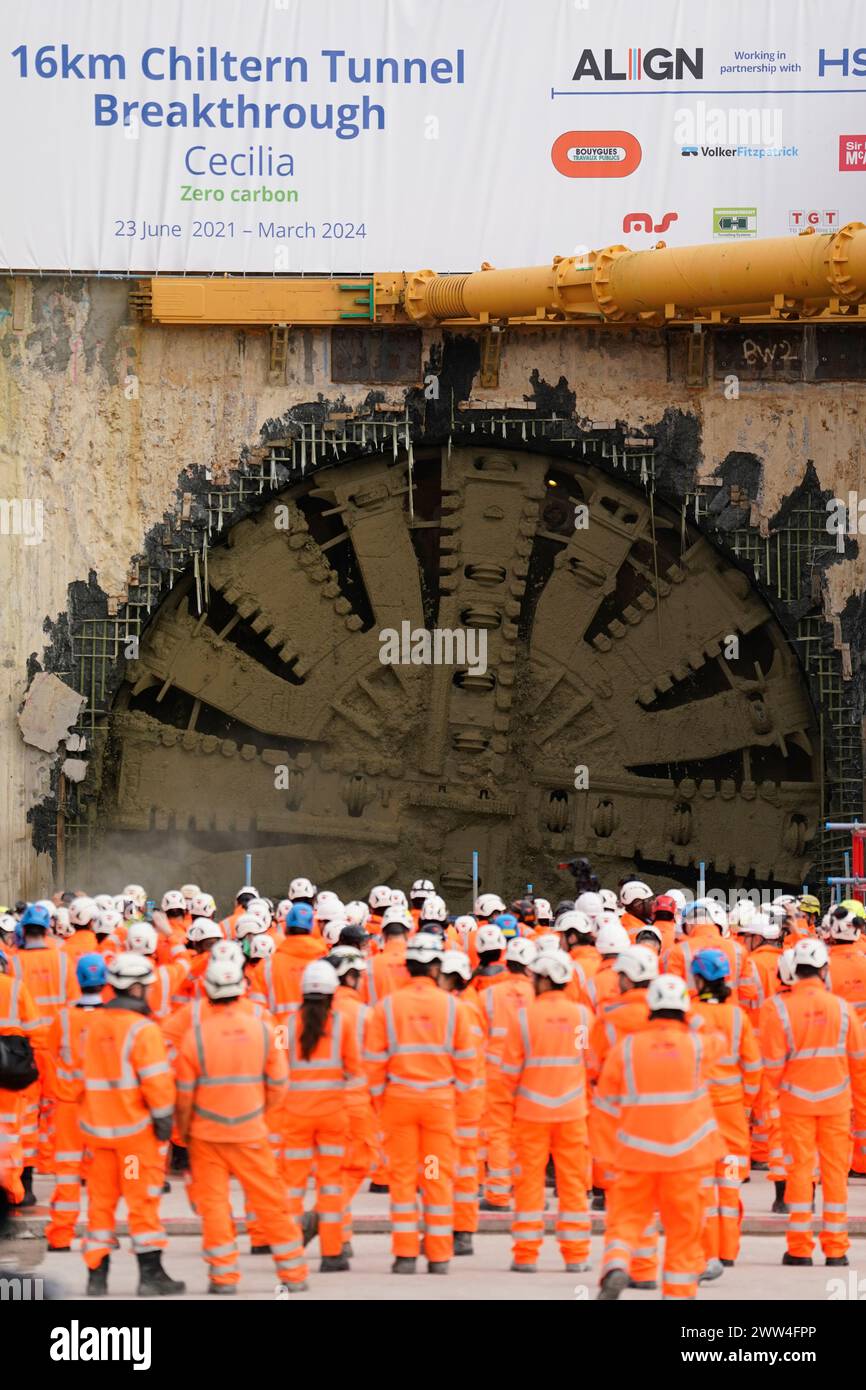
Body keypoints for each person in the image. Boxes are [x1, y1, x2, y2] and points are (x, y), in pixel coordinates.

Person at [174, 942, 308, 1293]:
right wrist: (259, 1111)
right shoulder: (262, 1029)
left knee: (214, 1205)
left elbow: (185, 1095)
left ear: (208, 992)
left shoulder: (197, 1036)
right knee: (271, 1200)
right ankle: (293, 1273)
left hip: (206, 1133)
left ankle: (223, 1276)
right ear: (241, 990)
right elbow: (279, 1082)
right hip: (250, 1129)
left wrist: (185, 1133)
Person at [595, 974, 725, 1300]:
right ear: (682, 1008)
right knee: (684, 1233)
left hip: (635, 1153)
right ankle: (678, 1294)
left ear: (649, 1007)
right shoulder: (697, 1045)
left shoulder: (627, 1048)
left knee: (625, 1219)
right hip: (686, 1157)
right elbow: (717, 1039)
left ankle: (616, 1264)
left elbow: (605, 1105)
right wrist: (691, 1015)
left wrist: (608, 1156)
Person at [364, 932, 475, 1274]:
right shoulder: (454, 1007)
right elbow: (467, 1065)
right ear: (436, 966)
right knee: (435, 1175)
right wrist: (451, 1100)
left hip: (399, 1101)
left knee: (402, 1178)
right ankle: (439, 1256)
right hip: (439, 1104)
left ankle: (406, 1254)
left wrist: (384, 1101)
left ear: (408, 967)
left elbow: (372, 1063)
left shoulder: (387, 1007)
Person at [80, 950, 183, 1296]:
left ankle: (96, 1279)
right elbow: (157, 1084)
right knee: (142, 1204)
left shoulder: (92, 1026)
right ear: (137, 989)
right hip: (133, 1144)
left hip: (98, 1137)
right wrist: (165, 1121)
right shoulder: (143, 1030)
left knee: (100, 1206)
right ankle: (150, 1276)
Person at [761, 937, 866, 1266]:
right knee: (835, 1175)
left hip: (796, 1105)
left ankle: (800, 1249)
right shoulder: (843, 1009)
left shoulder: (778, 1008)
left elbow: (772, 1067)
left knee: (800, 1174)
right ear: (823, 970)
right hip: (837, 1105)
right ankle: (836, 1250)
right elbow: (859, 1066)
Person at [496, 948, 593, 1273]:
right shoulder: (582, 1017)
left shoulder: (524, 1017)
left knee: (528, 1183)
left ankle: (526, 1255)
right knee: (573, 1183)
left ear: (541, 979)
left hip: (531, 1114)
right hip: (572, 1113)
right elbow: (591, 1065)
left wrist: (508, 1106)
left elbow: (509, 1071)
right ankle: (576, 1256)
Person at [279, 958, 366, 1272]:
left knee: (292, 1187)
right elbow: (355, 1070)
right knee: (330, 1185)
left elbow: (278, 1069)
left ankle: (289, 1250)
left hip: (296, 1116)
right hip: (333, 1115)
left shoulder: (288, 1025)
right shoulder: (341, 1023)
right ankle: (332, 1253)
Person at [689, 948, 761, 1275]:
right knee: (729, 1182)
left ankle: (708, 1253)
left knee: (702, 1184)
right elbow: (753, 1067)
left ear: (699, 978)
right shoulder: (737, 1017)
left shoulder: (690, 1016)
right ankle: (729, 1251)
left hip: (699, 1113)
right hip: (732, 1113)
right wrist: (744, 1104)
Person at [44, 953, 107, 1252]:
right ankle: (99, 1235)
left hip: (68, 1106)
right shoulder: (113, 1020)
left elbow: (49, 1054)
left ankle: (60, 1235)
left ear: (78, 980)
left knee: (67, 1172)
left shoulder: (63, 1017)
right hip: (103, 1108)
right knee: (100, 1175)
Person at [477, 936, 536, 1213]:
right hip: (530, 1074)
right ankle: (524, 1188)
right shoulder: (538, 995)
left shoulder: (486, 995)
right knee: (526, 1134)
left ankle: (498, 1190)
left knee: (497, 1132)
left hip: (495, 1072)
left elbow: (475, 1038)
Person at [438, 948, 487, 1253]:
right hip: (468, 1098)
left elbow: (463, 1059)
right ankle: (462, 1232)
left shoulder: (460, 1009)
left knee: (450, 1168)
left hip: (458, 1100)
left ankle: (455, 1231)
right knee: (464, 1169)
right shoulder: (468, 1005)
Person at [0, 945, 39, 1208]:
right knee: (11, 1132)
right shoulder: (15, 987)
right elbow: (35, 1028)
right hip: (11, 1065)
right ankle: (14, 1192)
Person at [247, 902, 328, 1022]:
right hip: (316, 1034)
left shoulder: (266, 966)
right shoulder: (326, 962)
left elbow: (256, 1011)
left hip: (280, 1035)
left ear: (286, 929)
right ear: (311, 929)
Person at [361, 906, 410, 1006]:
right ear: (407, 933)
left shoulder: (368, 964)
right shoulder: (418, 963)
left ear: (382, 934)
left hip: (376, 1019)